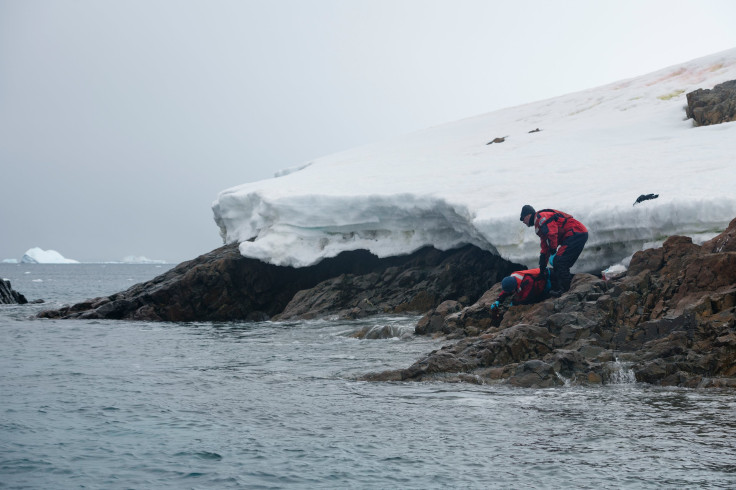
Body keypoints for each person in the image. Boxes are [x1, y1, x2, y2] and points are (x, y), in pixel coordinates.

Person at [519, 205, 588, 296]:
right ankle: (564, 288)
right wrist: (542, 267)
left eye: (523, 218)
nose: (523, 221)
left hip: (575, 233)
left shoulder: (541, 218)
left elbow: (552, 233)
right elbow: (545, 246)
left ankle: (566, 290)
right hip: (575, 234)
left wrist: (553, 251)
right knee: (559, 262)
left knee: (560, 261)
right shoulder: (539, 224)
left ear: (528, 215)